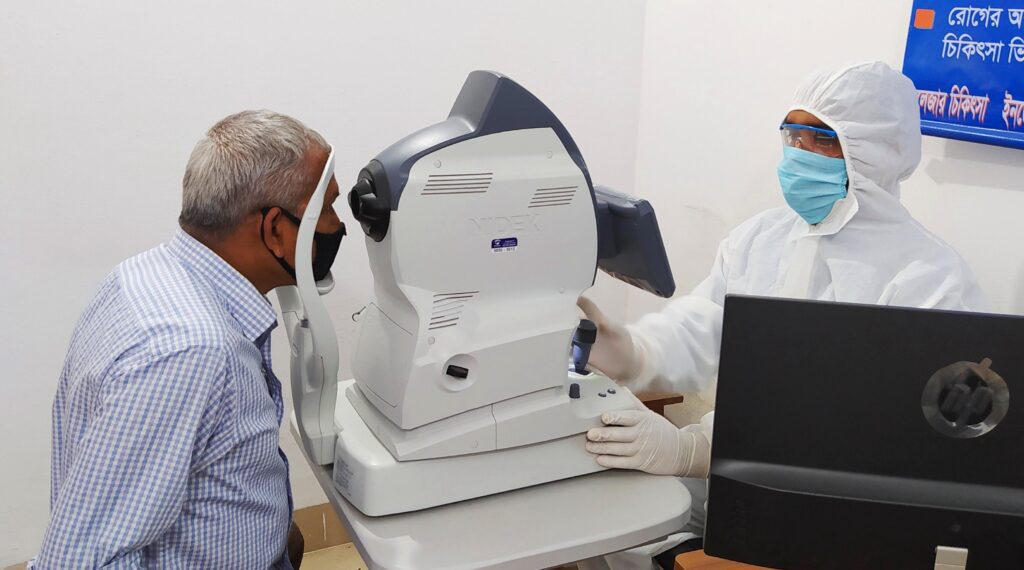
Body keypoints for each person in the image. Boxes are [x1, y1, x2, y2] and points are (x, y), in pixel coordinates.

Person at [579, 61, 986, 570]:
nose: (799, 153)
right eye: (792, 135)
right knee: (603, 528)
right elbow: (701, 325)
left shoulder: (932, 278)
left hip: (835, 520)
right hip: (729, 483)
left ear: (875, 152)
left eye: (821, 139)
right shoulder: (760, 239)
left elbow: (893, 436)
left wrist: (697, 448)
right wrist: (632, 351)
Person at [33, 110, 345, 569]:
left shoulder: (144, 273)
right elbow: (80, 561)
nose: (337, 225)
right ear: (276, 230)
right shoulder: (190, 352)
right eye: (327, 208)